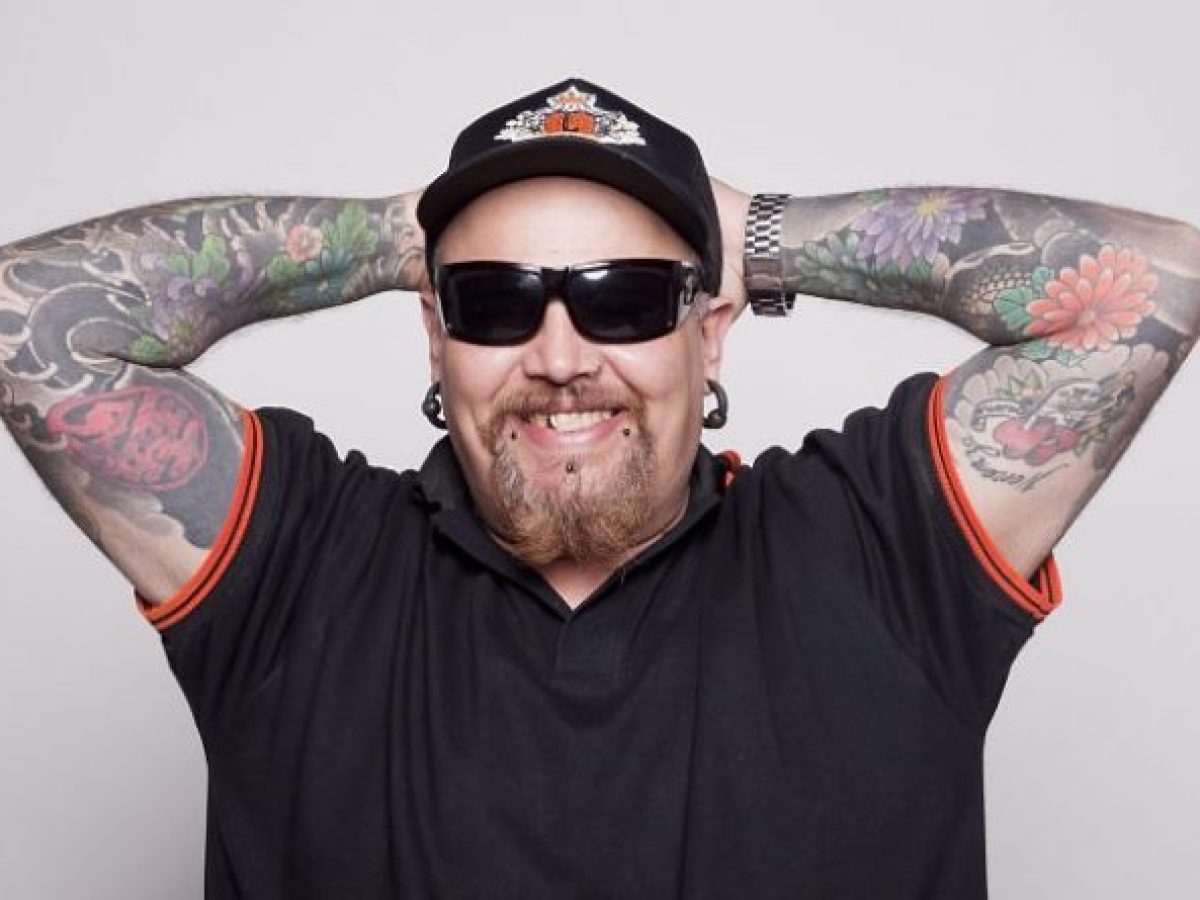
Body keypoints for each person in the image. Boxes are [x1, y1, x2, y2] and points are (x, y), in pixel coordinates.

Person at [0, 75, 1196, 898]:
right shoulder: (298, 567)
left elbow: (1153, 286)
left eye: (624, 300)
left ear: (709, 333)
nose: (561, 358)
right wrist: (405, 234)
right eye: (495, 301)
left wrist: (758, 234)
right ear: (435, 337)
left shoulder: (882, 548)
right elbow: (27, 319)